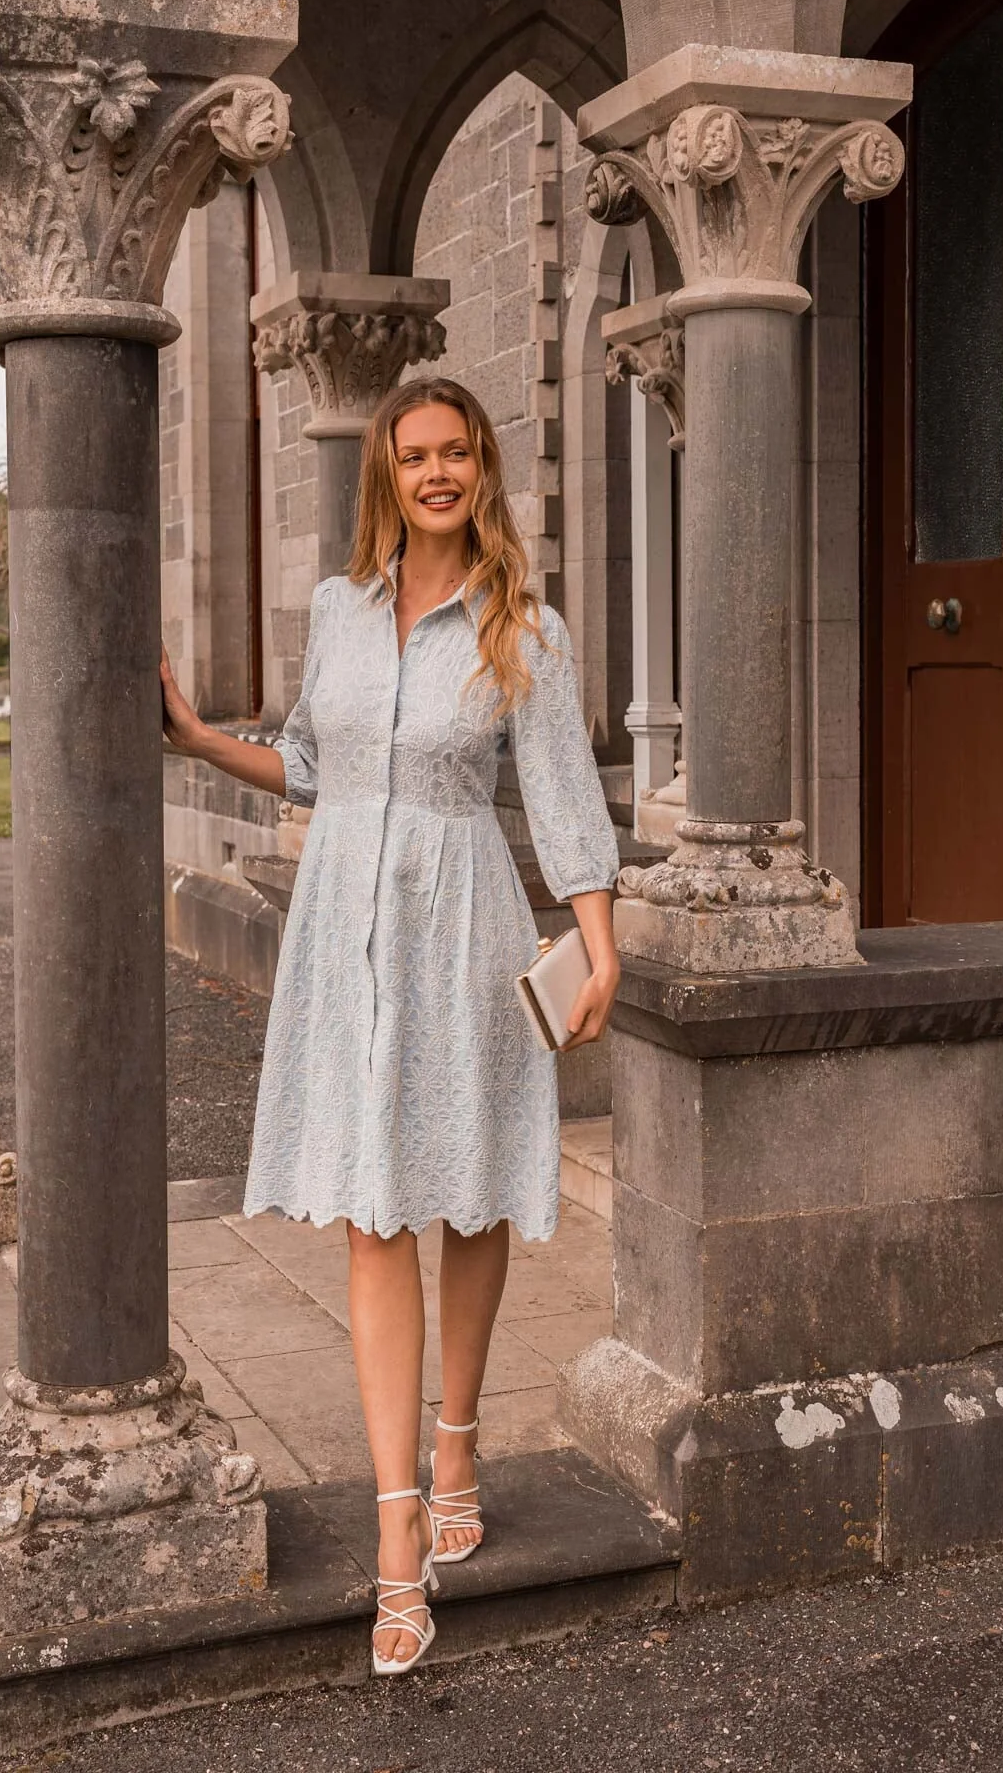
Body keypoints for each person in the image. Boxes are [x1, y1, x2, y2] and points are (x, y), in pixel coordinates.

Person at [160, 375, 620, 1674]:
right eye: (414, 455)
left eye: (455, 452)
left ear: (481, 470)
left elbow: (564, 797)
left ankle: (459, 1437)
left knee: (466, 1199)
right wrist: (197, 739)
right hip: (344, 938)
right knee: (374, 1214)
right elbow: (310, 764)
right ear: (386, 475)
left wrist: (600, 944)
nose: (435, 473)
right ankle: (398, 1527)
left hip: (463, 926)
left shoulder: (526, 626)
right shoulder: (338, 611)